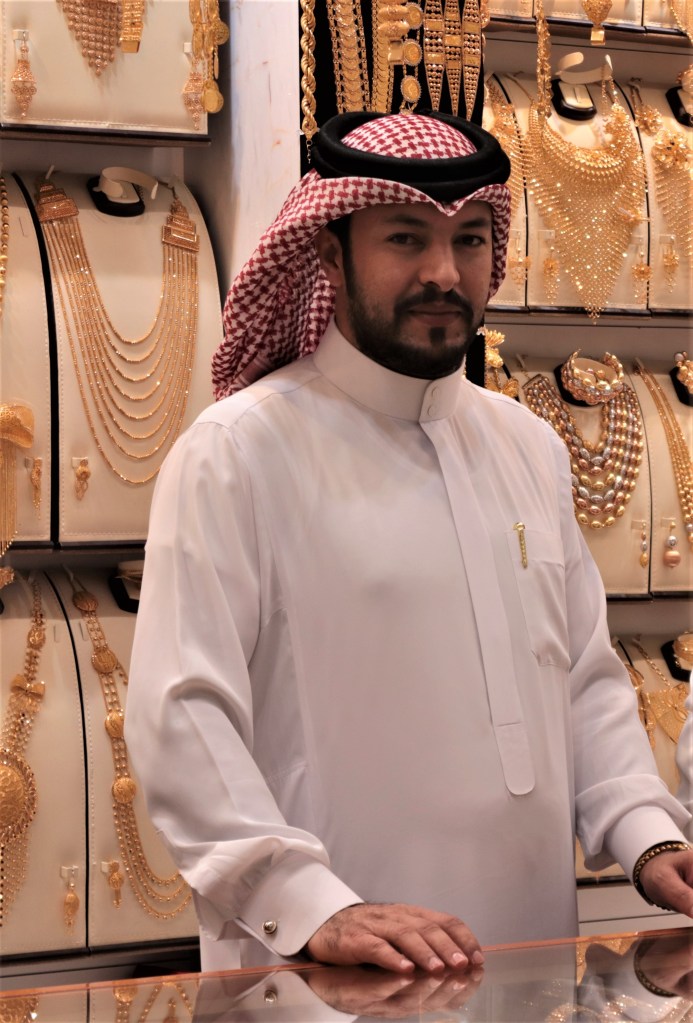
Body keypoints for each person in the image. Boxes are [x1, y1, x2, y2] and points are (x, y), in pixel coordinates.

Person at [126, 110, 693, 976]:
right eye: (404, 237)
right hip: (330, 973)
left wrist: (648, 837)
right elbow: (181, 713)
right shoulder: (238, 451)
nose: (443, 272)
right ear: (328, 252)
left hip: (527, 965)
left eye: (469, 240)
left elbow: (580, 680)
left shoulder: (526, 445)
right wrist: (311, 904)